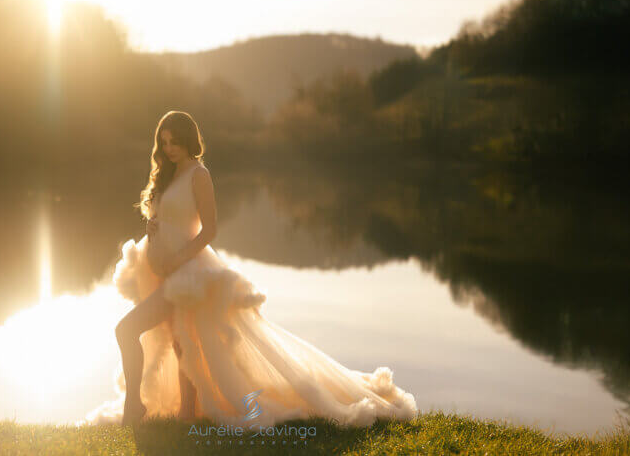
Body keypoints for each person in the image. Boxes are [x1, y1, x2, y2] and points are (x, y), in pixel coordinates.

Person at [80, 110, 418, 429]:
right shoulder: (168, 174)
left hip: (186, 272)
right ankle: (183, 410)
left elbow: (209, 230)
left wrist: (178, 260)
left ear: (188, 140)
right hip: (161, 269)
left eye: (174, 142)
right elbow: (169, 217)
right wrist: (154, 227)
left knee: (131, 332)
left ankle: (136, 408)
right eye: (164, 142)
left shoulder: (199, 174)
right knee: (181, 339)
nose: (168, 149)